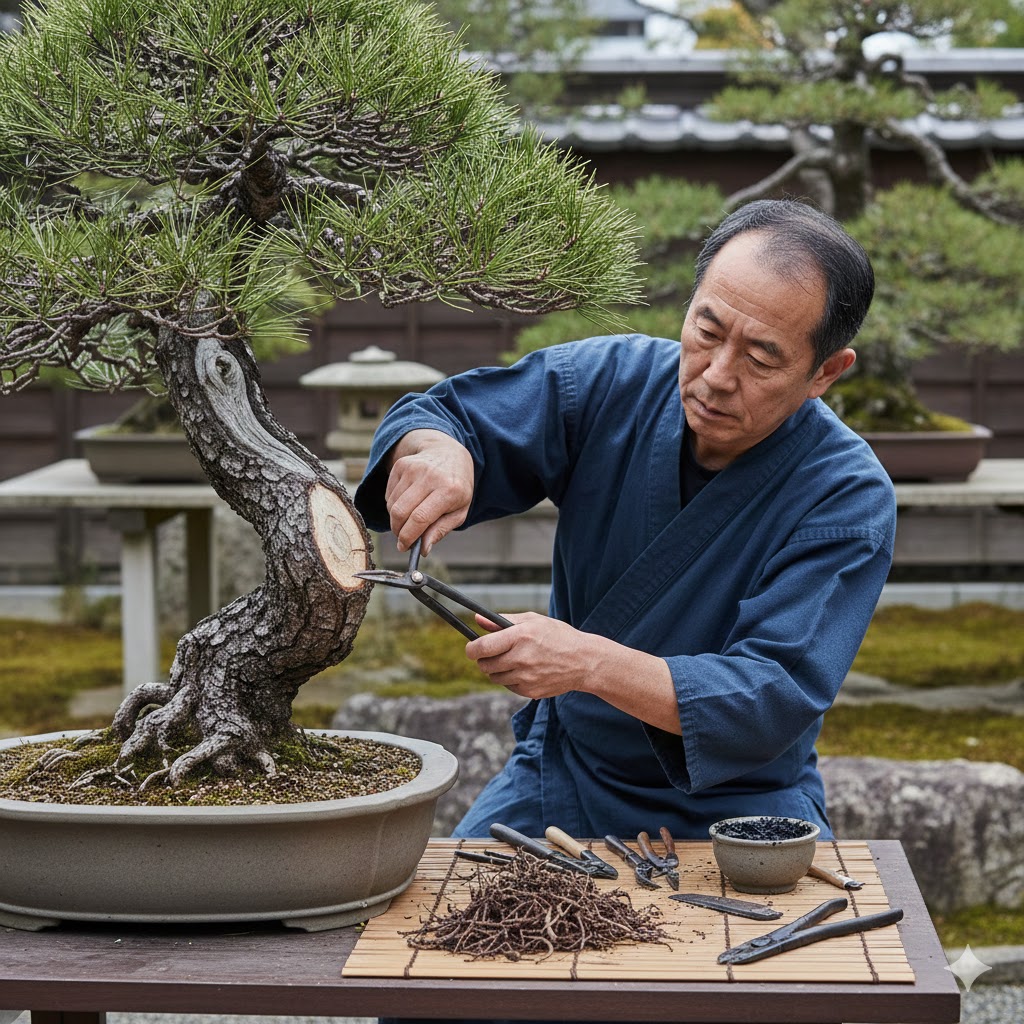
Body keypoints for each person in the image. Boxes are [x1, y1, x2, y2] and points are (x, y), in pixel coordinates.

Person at [354, 198, 896, 847]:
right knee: (449, 917)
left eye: (761, 357)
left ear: (825, 372)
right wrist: (438, 451)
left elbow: (769, 697)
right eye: (707, 331)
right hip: (565, 778)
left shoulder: (844, 493)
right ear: (689, 304)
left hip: (742, 806)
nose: (718, 377)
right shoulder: (613, 382)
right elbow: (452, 416)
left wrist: (586, 663)